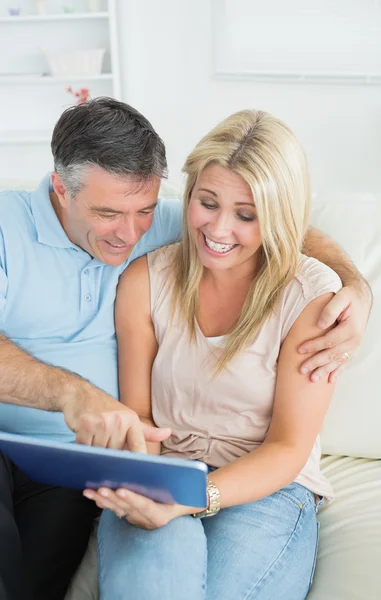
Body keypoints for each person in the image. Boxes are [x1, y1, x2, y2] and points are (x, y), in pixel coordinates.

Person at [0, 99, 371, 600]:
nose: (218, 231)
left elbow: (289, 446)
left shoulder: (298, 288)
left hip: (231, 482)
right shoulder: (136, 272)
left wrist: (358, 286)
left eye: (246, 214)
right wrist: (139, 473)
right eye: (208, 203)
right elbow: (141, 414)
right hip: (130, 464)